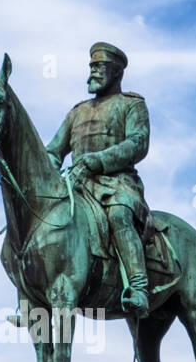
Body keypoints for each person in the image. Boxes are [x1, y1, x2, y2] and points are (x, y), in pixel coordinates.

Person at [46, 43, 151, 315]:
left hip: (117, 183)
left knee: (118, 213)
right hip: (78, 186)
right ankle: (34, 293)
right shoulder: (77, 112)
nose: (93, 72)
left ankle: (138, 286)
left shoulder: (132, 104)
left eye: (99, 67)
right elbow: (54, 151)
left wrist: (99, 160)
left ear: (116, 73)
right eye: (91, 67)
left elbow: (138, 143)